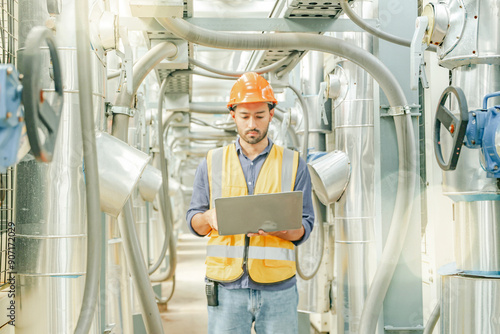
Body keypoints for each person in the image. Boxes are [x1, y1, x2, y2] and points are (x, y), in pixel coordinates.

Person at [186, 72, 314, 334]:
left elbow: (305, 227)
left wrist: (280, 228)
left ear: (271, 113)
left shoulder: (294, 163)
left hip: (278, 288)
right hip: (226, 288)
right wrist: (209, 218)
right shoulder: (212, 162)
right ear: (233, 115)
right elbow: (194, 222)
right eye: (244, 116)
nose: (252, 124)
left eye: (259, 115)